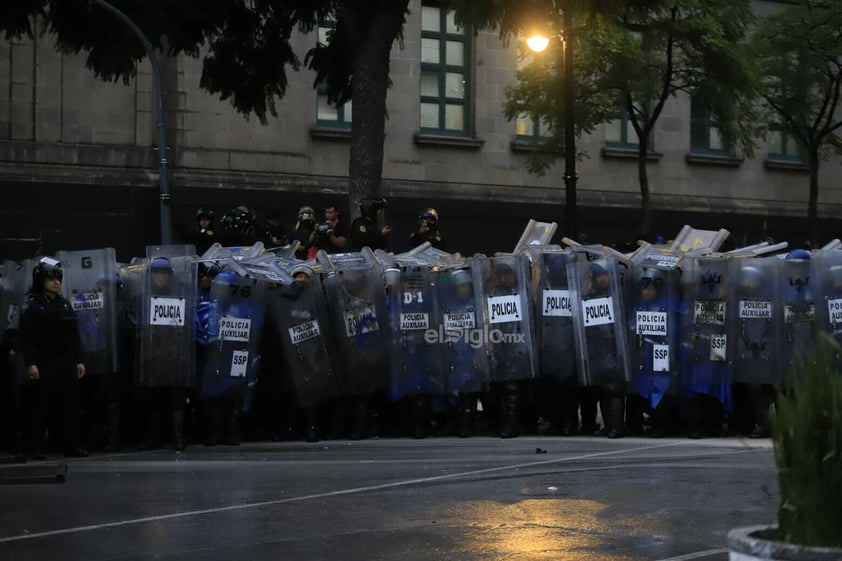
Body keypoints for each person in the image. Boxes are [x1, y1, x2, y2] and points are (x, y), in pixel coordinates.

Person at [19, 257, 87, 458]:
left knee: (68, 405)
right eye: (51, 279)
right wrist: (30, 363)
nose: (56, 282)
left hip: (65, 361)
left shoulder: (65, 305)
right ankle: (36, 447)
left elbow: (74, 335)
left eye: (58, 279)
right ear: (41, 280)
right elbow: (25, 337)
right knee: (40, 406)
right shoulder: (32, 305)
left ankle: (69, 445)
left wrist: (79, 360)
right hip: (43, 361)